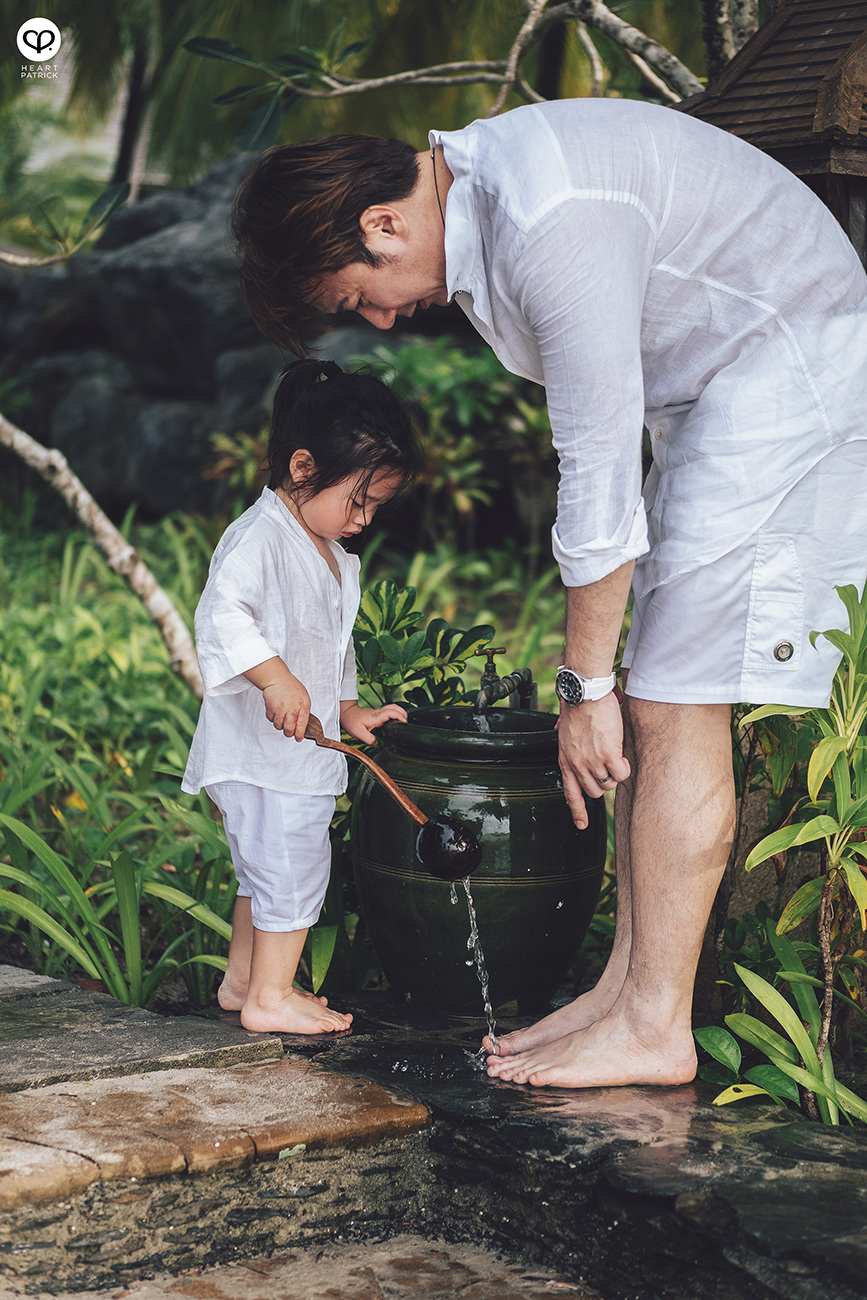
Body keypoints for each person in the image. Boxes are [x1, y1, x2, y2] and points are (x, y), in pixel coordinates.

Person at [229, 98, 867, 1084]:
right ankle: (624, 993)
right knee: (653, 697)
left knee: (668, 702)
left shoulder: (547, 215)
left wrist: (581, 687)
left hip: (791, 373)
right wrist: (595, 682)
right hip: (719, 395)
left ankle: (655, 1026)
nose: (385, 318)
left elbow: (596, 461)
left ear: (384, 223)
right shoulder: (492, 202)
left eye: (363, 294)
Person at [182, 359, 419, 1035]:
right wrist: (274, 678)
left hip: (289, 754)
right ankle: (271, 997)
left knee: (263, 873)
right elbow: (222, 614)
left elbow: (330, 646)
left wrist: (346, 707)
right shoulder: (259, 539)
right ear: (302, 468)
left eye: (375, 507)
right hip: (264, 754)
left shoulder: (332, 554)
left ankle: (242, 983)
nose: (364, 520)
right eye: (357, 501)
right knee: (292, 866)